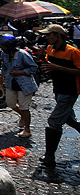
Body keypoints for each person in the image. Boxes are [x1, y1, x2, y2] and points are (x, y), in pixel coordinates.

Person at [38, 24, 80, 167]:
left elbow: (78, 71)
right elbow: (49, 64)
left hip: (70, 90)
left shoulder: (72, 51)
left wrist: (57, 68)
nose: (47, 37)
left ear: (58, 35)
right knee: (68, 118)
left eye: (49, 35)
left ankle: (49, 156)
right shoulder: (50, 49)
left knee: (54, 121)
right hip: (58, 89)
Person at [0, 34, 38, 138]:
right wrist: (2, 78)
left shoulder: (23, 55)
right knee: (10, 103)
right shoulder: (4, 54)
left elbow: (34, 68)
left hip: (25, 85)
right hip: (11, 83)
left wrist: (20, 72)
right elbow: (4, 66)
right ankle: (23, 116)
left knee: (24, 107)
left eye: (4, 46)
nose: (2, 48)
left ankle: (27, 129)